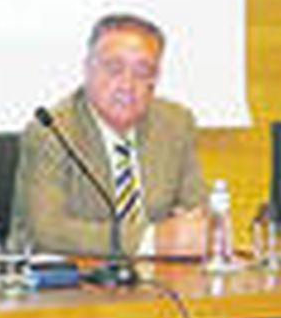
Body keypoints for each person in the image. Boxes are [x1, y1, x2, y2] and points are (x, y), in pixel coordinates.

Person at [11, 13, 207, 259]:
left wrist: (193, 232)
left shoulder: (175, 123)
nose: (127, 84)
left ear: (155, 79)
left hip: (157, 283)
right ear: (88, 69)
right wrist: (149, 241)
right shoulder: (53, 131)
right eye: (114, 69)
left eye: (143, 71)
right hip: (69, 289)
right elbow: (47, 232)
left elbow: (197, 213)